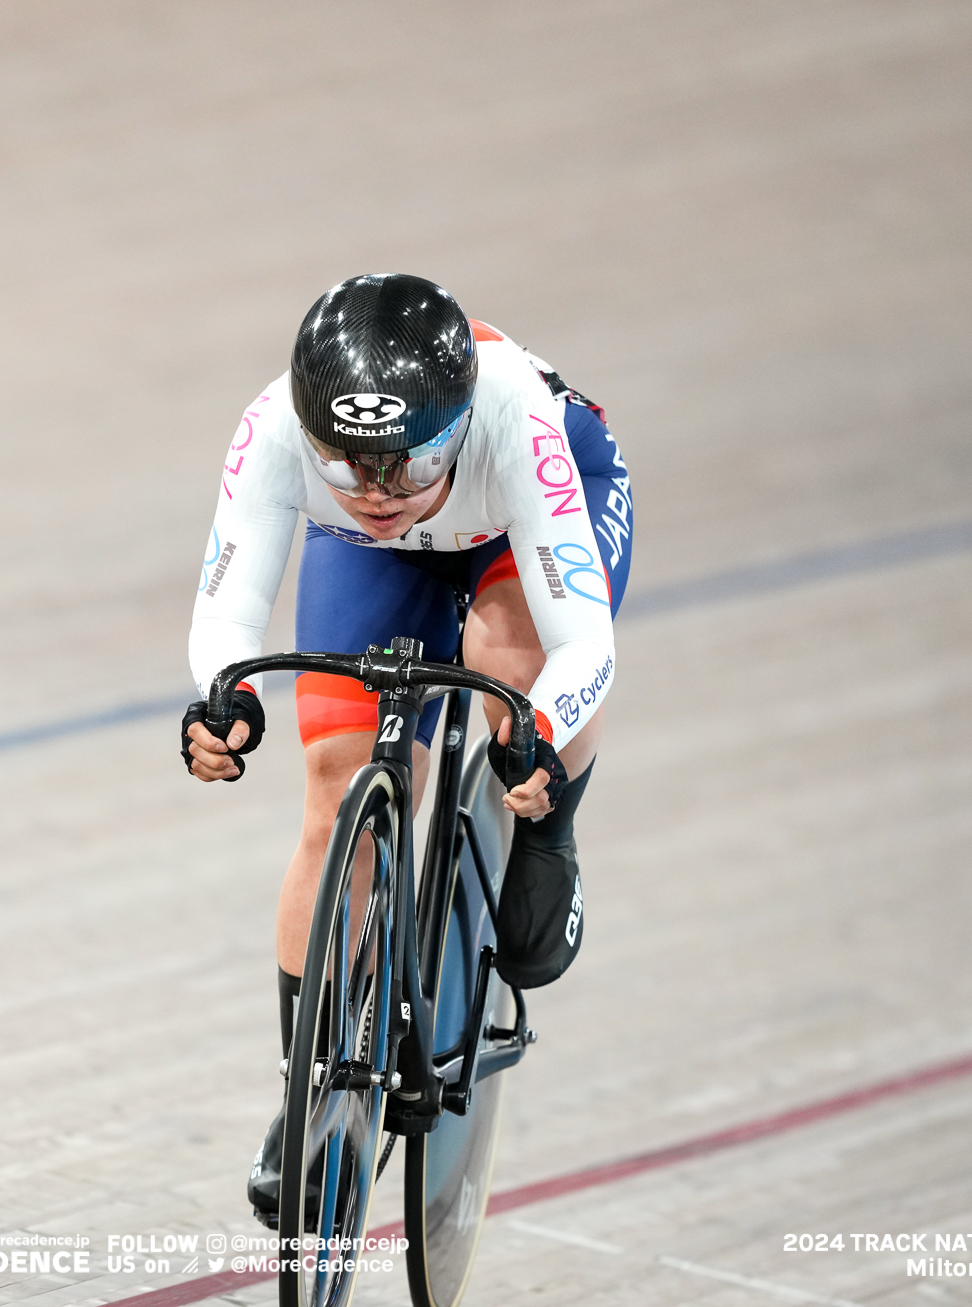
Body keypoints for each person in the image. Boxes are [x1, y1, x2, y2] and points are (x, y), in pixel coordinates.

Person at [179, 273, 633, 1226]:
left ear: (457, 425)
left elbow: (584, 642)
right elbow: (227, 610)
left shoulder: (516, 420)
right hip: (384, 561)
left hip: (528, 520)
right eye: (346, 465)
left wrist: (543, 738)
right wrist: (228, 701)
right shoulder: (270, 429)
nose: (378, 492)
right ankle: (309, 1093)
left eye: (404, 464)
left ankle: (550, 838)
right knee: (334, 792)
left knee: (508, 668)